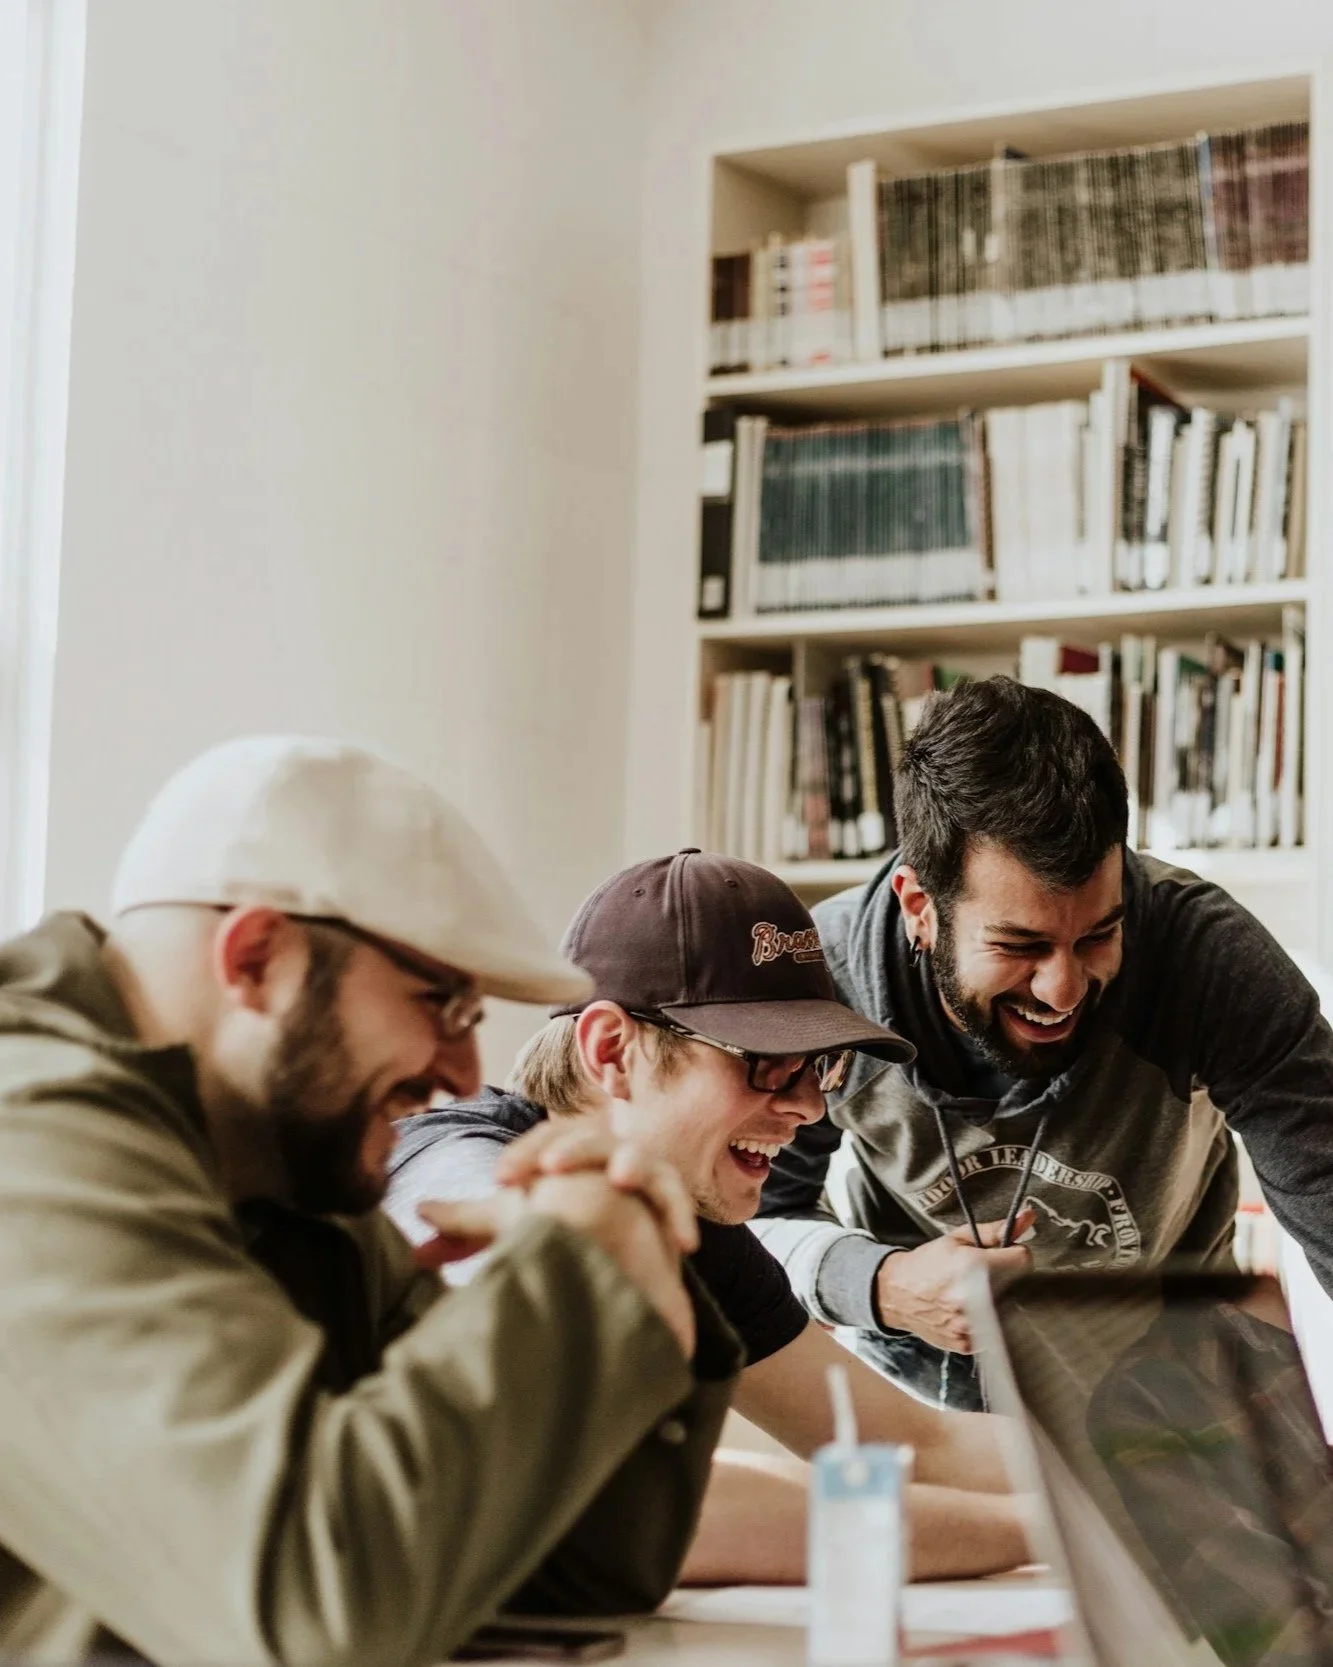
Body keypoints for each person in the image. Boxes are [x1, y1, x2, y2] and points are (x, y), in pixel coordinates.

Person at [0, 735, 743, 1666]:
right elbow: (319, 1609)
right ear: (257, 956)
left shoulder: (284, 1167)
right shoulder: (30, 1138)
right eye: (441, 1002)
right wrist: (582, 1263)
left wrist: (627, 1258)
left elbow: (572, 1569)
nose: (465, 1071)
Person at [386, 847, 1033, 1582]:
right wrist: (1054, 1531)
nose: (809, 1107)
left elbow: (908, 1443)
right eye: (766, 1062)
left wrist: (1142, 1474)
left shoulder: (688, 1225)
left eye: (817, 1067)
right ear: (611, 1050)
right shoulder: (455, 1171)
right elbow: (633, 1503)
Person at [754, 674, 1333, 1411]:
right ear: (918, 907)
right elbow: (752, 1220)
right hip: (915, 1386)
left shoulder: (1207, 959)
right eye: (1018, 944)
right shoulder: (823, 985)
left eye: (1097, 933)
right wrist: (879, 1284)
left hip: (1168, 1381)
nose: (1062, 988)